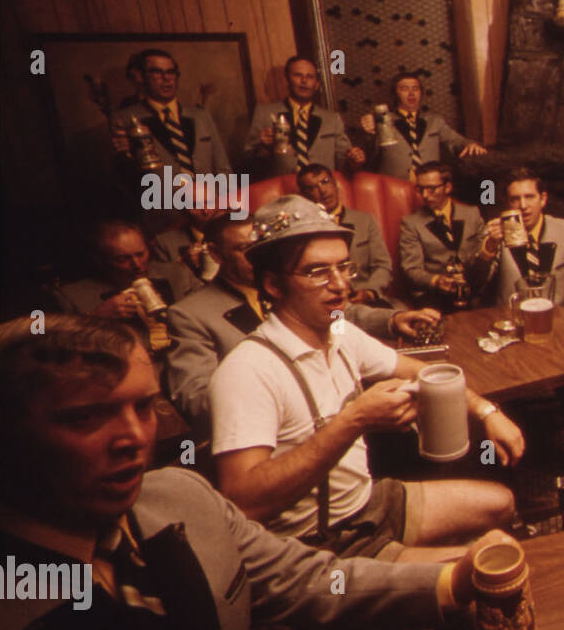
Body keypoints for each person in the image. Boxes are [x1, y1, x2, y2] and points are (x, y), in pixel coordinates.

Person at [0, 313, 514, 630]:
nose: (134, 438)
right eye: (86, 417)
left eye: (143, 406)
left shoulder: (180, 494)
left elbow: (307, 581)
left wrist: (454, 581)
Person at [210, 195, 524, 557]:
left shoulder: (340, 332)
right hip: (315, 546)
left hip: (366, 505)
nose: (340, 284)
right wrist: (355, 419)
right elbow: (243, 501)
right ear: (274, 285)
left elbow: (420, 371)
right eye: (317, 271)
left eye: (344, 267)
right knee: (483, 568)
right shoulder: (247, 371)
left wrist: (488, 413)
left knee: (503, 503)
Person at [166, 214, 441, 435]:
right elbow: (196, 400)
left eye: (260, 246)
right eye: (243, 250)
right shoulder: (190, 314)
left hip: (344, 422)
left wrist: (392, 320)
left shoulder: (289, 286)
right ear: (215, 254)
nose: (257, 256)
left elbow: (340, 317)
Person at [53, 219, 200, 371]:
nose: (136, 265)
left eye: (141, 254)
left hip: (189, 362)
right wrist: (95, 317)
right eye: (123, 259)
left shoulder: (178, 274)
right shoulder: (72, 296)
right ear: (100, 260)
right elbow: (60, 351)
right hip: (128, 372)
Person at [470, 168, 564, 320]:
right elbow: (474, 286)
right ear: (508, 203)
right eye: (515, 199)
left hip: (560, 326)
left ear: (543, 199)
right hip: (513, 325)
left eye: (529, 197)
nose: (523, 205)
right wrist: (488, 249)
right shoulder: (496, 235)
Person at [111, 49, 231, 175]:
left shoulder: (200, 116)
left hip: (209, 194)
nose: (166, 78)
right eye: (157, 72)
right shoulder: (126, 119)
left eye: (171, 72)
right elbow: (123, 176)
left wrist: (218, 192)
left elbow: (223, 167)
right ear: (142, 77)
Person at [243, 55, 365, 179]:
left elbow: (344, 165)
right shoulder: (265, 114)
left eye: (310, 77)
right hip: (283, 191)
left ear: (317, 84)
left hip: (321, 191)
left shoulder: (332, 119)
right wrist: (264, 148)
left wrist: (354, 161)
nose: (304, 81)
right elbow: (247, 165)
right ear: (287, 80)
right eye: (298, 75)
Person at [296, 162, 394, 305]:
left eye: (325, 182)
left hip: (368, 299)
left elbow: (383, 266)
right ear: (305, 196)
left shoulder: (365, 220)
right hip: (327, 302)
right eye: (312, 188)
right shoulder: (303, 229)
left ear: (335, 185)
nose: (322, 190)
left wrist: (370, 292)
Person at [361, 71, 486, 181]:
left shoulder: (434, 121)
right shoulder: (382, 121)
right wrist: (370, 131)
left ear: (421, 93)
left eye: (415, 88)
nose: (411, 93)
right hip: (394, 188)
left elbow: (456, 140)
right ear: (395, 93)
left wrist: (469, 144)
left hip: (431, 185)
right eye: (404, 89)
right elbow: (369, 153)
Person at [398, 161, 486, 311]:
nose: (425, 195)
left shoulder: (472, 214)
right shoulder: (411, 223)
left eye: (432, 189)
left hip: (472, 292)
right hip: (434, 297)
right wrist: (437, 281)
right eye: (421, 189)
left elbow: (485, 258)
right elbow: (411, 270)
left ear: (448, 187)